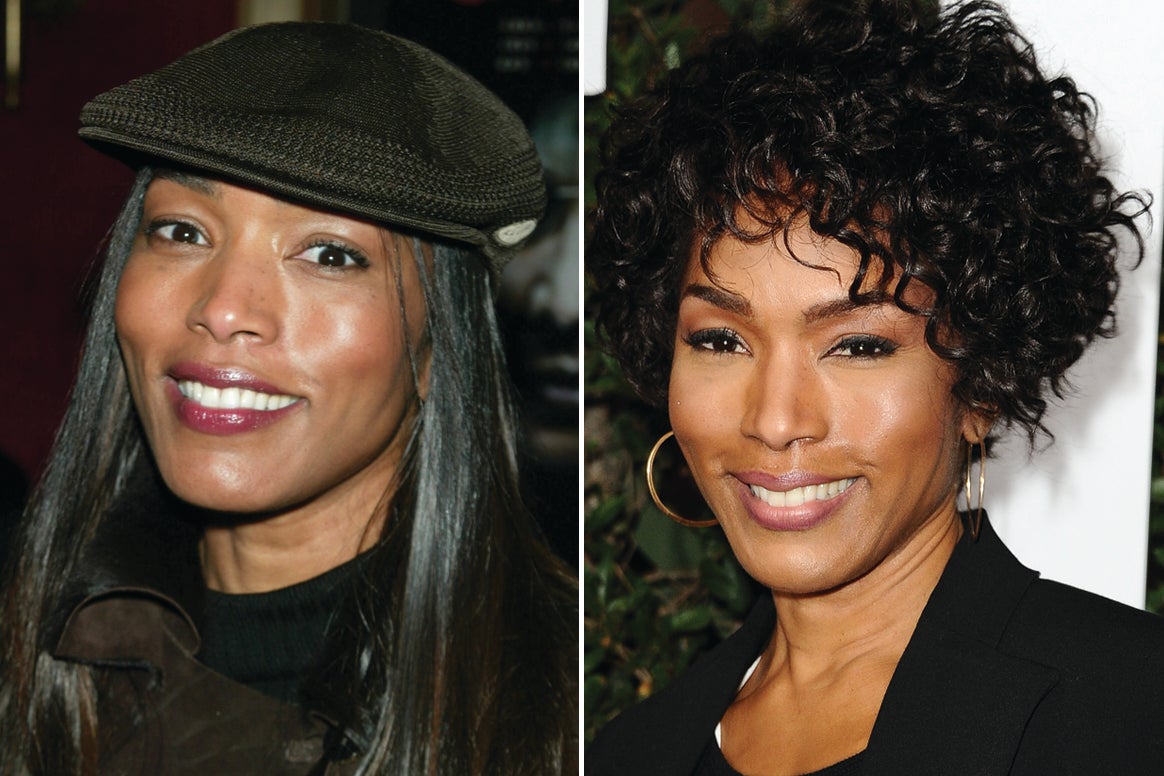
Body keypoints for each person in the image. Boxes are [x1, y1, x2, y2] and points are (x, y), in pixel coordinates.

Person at [587, 0, 1164, 773]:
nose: (775, 420)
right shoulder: (631, 752)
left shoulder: (1132, 711)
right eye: (721, 340)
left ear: (983, 384)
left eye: (857, 346)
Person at [0, 22, 575, 776]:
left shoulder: (569, 713)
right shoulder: (29, 647)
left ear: (443, 343)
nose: (224, 309)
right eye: (182, 231)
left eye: (329, 254)